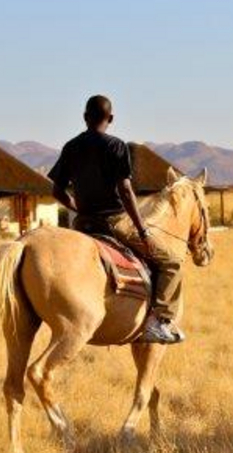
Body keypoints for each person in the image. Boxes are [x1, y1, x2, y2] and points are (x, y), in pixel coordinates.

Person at [49, 94, 186, 345]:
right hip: (113, 222)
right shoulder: (116, 146)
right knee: (171, 263)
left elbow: (57, 192)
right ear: (110, 118)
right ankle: (159, 321)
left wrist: (78, 209)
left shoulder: (71, 147)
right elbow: (125, 189)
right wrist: (142, 229)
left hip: (82, 224)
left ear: (84, 118)